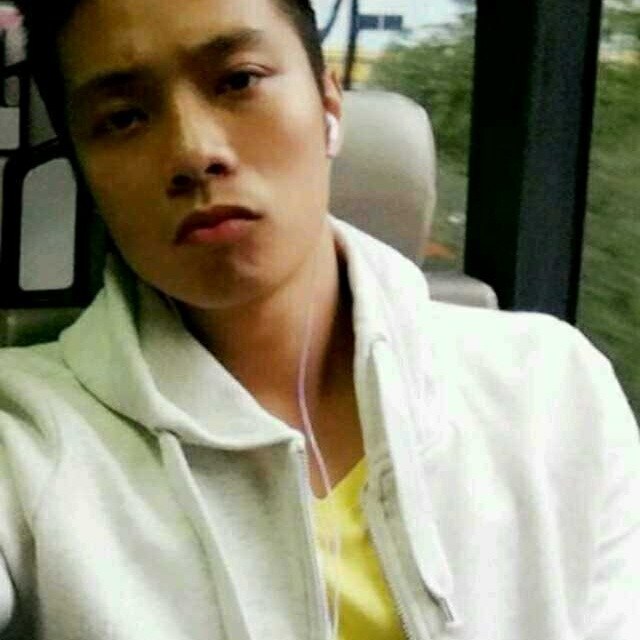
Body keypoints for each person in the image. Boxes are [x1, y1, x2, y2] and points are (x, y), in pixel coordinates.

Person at [1, 0, 638, 638]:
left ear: (329, 104)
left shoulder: (551, 389)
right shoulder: (24, 437)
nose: (194, 152)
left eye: (239, 81)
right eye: (123, 118)